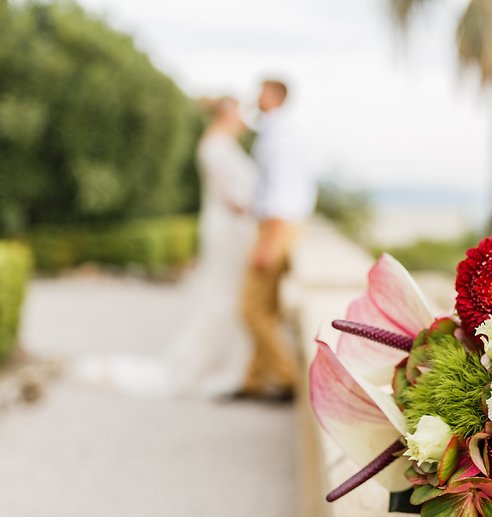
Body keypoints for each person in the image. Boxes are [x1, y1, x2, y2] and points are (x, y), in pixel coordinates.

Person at [75, 97, 258, 398]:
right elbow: (233, 199)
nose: (244, 120)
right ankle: (212, 365)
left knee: (229, 292)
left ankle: (234, 363)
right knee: (224, 293)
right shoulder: (214, 146)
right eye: (241, 113)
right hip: (227, 228)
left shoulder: (222, 145)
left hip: (231, 226)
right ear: (227, 113)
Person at [237, 79, 316, 401]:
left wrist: (269, 242)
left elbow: (281, 194)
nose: (256, 96)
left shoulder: (279, 136)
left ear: (276, 96)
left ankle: (288, 379)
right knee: (266, 306)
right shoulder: (277, 132)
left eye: (262, 91)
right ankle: (254, 380)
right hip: (280, 225)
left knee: (252, 308)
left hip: (277, 226)